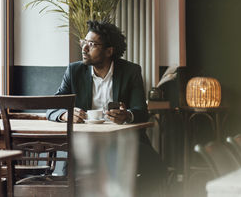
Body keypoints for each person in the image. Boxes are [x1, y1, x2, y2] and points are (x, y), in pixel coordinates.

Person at [46, 20, 166, 196]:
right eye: (84, 42)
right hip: (82, 144)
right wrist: (65, 114)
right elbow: (51, 108)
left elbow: (141, 111)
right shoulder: (74, 71)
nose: (84, 48)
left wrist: (127, 115)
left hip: (122, 142)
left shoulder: (130, 71)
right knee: (66, 181)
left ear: (109, 51)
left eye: (92, 44)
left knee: (156, 169)